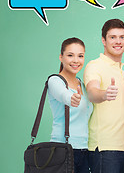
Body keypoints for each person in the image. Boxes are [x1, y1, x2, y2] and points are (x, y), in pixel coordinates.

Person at [83, 19, 124, 173]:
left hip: (123, 147)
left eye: (122, 37)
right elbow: (92, 92)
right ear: (103, 40)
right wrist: (104, 94)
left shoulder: (122, 72)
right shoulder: (94, 66)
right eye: (112, 37)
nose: (118, 41)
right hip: (104, 148)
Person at [48, 37, 93, 173]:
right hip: (62, 150)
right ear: (61, 57)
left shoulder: (82, 85)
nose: (76, 60)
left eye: (80, 56)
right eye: (70, 55)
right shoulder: (55, 80)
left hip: (85, 151)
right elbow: (63, 95)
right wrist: (71, 98)